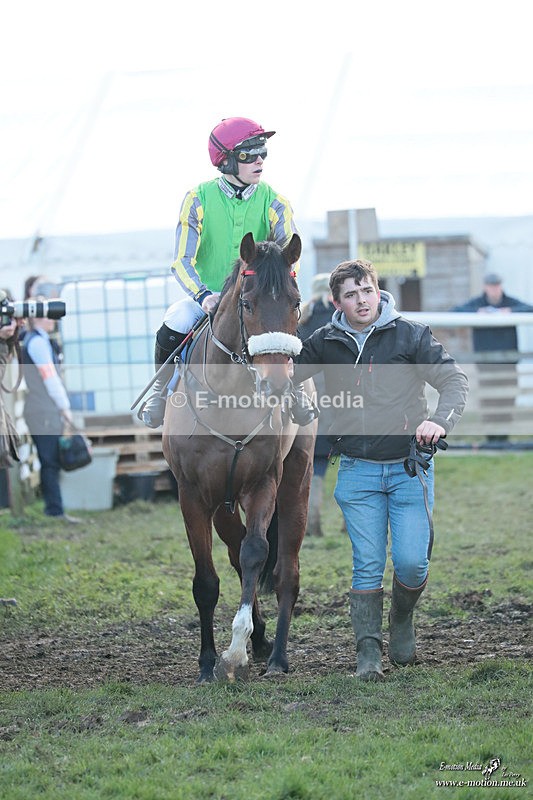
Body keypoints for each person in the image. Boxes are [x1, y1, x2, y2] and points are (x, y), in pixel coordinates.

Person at [293, 258, 468, 681]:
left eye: (366, 290)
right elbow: (284, 375)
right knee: (367, 564)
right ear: (336, 301)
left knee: (412, 564)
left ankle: (402, 619)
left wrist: (439, 421)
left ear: (378, 290)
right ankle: (367, 654)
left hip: (410, 468)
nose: (361, 301)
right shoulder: (323, 342)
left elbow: (453, 381)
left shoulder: (410, 335)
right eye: (351, 295)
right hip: (357, 472)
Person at [140, 116, 314, 429]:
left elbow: (291, 259)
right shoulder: (197, 200)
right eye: (249, 155)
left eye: (263, 153)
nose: (259, 160)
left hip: (257, 297)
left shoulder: (276, 202)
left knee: (285, 322)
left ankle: (296, 389)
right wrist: (203, 295)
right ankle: (160, 392)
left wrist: (273, 290)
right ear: (227, 161)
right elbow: (182, 260)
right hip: (208, 298)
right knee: (175, 320)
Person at [452, 273, 533, 444]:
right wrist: (478, 313)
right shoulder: (478, 303)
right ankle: (491, 437)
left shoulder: (509, 302)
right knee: (489, 401)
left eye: (497, 285)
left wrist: (509, 312)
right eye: (491, 286)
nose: (494, 289)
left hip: (508, 363)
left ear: (501, 286)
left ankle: (504, 437)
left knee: (508, 399)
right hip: (486, 364)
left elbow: (528, 308)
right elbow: (456, 311)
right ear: (485, 287)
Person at [20, 305, 80, 523]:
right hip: (42, 408)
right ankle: (54, 510)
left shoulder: (38, 339)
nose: (53, 318)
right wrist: (64, 407)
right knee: (50, 460)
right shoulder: (37, 342)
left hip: (41, 407)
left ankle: (55, 509)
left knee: (50, 460)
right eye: (47, 314)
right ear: (36, 318)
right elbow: (50, 377)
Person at [298, 273, 336, 536]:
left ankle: (312, 524)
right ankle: (350, 524)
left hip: (311, 407)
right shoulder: (341, 320)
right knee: (353, 465)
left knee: (315, 468)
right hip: (346, 407)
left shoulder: (301, 322)